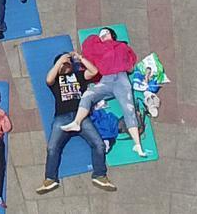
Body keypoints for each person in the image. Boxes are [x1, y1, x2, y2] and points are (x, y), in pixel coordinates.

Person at [60, 27, 146, 158]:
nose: (103, 35)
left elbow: (130, 65)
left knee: (129, 108)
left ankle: (138, 145)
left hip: (121, 79)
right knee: (88, 95)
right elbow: (91, 56)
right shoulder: (97, 47)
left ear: (112, 35)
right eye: (101, 34)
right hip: (106, 80)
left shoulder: (121, 46)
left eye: (106, 33)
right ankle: (76, 122)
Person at [37, 52, 116, 194]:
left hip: (81, 116)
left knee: (98, 144)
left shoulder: (78, 76)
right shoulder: (55, 80)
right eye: (64, 63)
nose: (67, 65)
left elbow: (94, 71)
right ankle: (50, 179)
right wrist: (60, 60)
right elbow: (48, 80)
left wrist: (80, 59)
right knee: (52, 148)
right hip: (62, 117)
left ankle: (99, 175)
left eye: (69, 63)